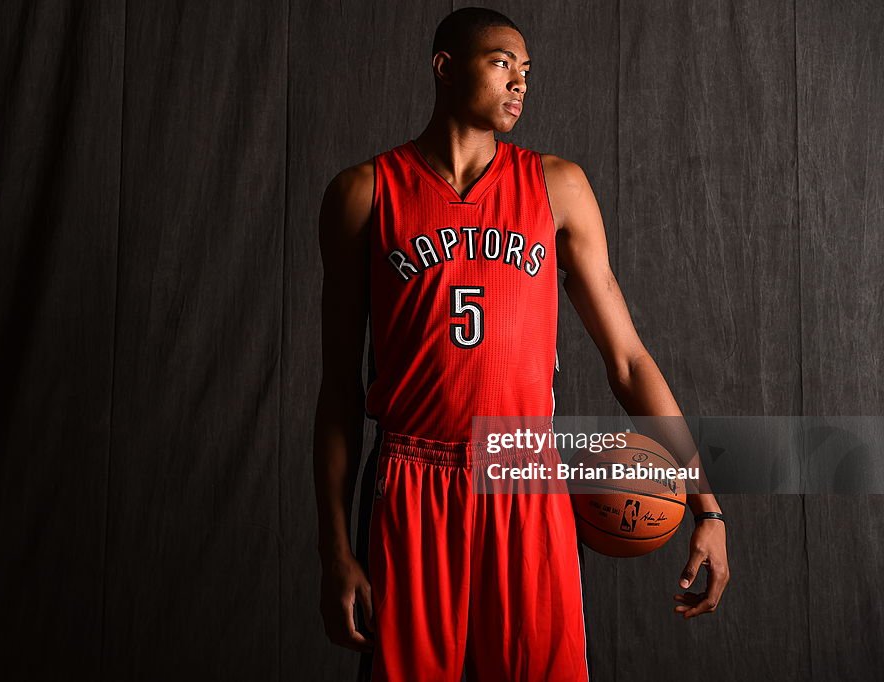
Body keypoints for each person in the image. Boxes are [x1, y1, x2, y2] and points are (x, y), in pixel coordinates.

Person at [313, 7, 730, 681]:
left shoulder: (556, 186)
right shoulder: (363, 194)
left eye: (527, 71)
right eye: (502, 62)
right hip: (410, 482)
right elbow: (337, 389)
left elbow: (628, 361)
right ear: (446, 68)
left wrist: (705, 506)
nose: (520, 83)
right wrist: (334, 549)